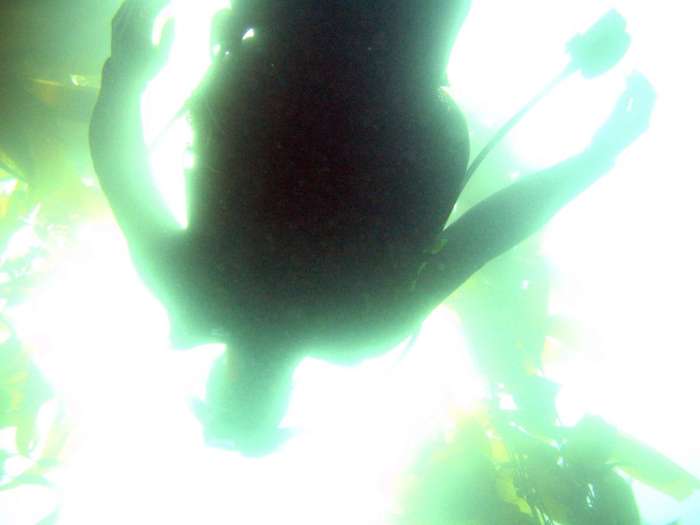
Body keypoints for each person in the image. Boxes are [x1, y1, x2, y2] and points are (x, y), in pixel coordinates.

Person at [90, 0, 655, 455]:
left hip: (366, 61)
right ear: (221, 379)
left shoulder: (359, 326)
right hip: (317, 53)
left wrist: (595, 157)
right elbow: (118, 164)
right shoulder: (198, 291)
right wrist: (125, 76)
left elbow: (485, 233)